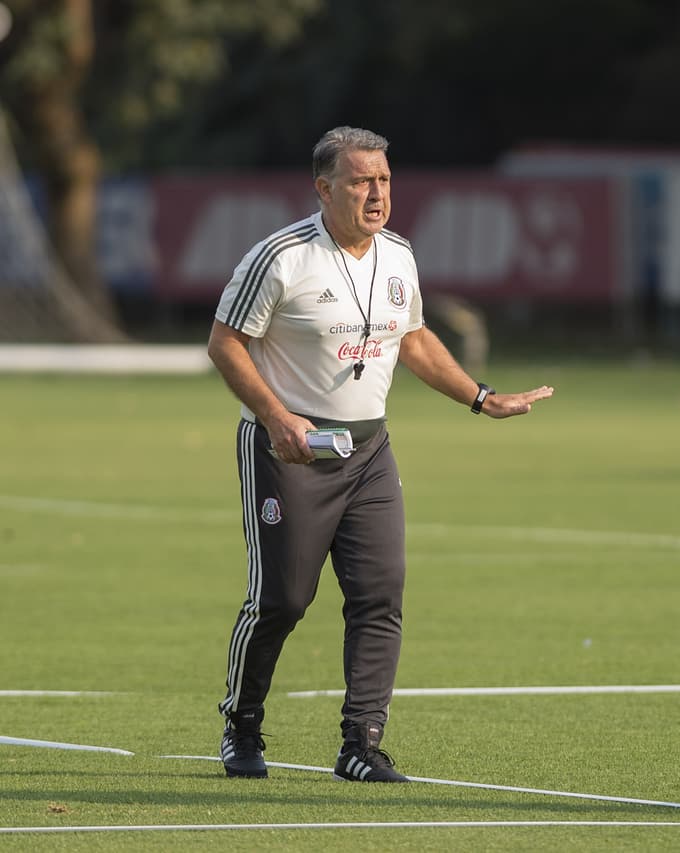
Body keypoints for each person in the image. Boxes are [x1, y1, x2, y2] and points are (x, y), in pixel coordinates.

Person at [207, 126, 554, 782]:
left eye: (385, 180)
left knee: (379, 594)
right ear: (324, 187)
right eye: (362, 180)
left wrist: (483, 398)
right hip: (291, 453)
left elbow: (414, 340)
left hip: (369, 452)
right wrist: (277, 417)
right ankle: (241, 719)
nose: (376, 193)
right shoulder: (280, 257)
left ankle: (360, 743)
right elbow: (225, 343)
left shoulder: (397, 255)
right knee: (282, 598)